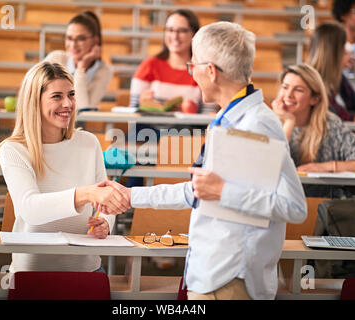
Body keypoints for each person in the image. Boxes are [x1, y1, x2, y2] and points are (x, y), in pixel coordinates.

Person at [101, 22, 307, 300]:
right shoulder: (229, 117)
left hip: (231, 279)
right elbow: (199, 192)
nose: (191, 74)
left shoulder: (257, 123)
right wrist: (130, 195)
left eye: (193, 66)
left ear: (211, 71)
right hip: (212, 273)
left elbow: (294, 207)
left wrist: (223, 191)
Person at [0, 61, 130, 274]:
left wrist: (105, 223)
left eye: (72, 95)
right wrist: (84, 193)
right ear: (34, 102)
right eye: (57, 96)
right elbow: (30, 209)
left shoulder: (89, 142)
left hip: (88, 268)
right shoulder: (13, 150)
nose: (67, 103)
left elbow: (105, 203)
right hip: (34, 272)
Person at [272, 64, 355, 198]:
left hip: (321, 210)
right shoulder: (269, 123)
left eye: (298, 90)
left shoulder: (330, 126)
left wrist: (326, 167)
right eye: (285, 87)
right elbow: (270, 168)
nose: (288, 95)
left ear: (315, 99)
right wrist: (289, 122)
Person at [308, 22, 355, 151]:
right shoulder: (313, 83)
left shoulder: (339, 79)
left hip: (349, 138)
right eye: (344, 46)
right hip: (332, 146)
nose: (348, 51)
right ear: (333, 52)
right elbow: (340, 117)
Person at [129, 9, 202, 111]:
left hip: (189, 127)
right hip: (148, 126)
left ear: (194, 34)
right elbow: (132, 111)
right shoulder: (149, 65)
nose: (175, 36)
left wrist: (190, 110)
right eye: (170, 30)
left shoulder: (201, 69)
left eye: (182, 31)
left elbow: (208, 116)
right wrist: (142, 104)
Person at [45, 11, 112, 111]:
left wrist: (81, 69)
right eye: (69, 38)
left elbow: (81, 109)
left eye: (80, 38)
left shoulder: (104, 70)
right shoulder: (55, 58)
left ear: (95, 41)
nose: (73, 45)